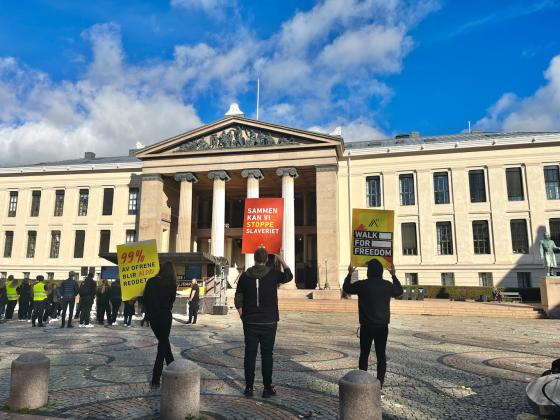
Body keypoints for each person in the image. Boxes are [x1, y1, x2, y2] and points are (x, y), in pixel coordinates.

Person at [234, 247, 293, 398]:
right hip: (269, 321)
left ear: (254, 259)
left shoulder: (245, 275)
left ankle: (249, 387)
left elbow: (238, 295)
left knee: (250, 355)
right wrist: (280, 259)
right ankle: (267, 388)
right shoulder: (273, 273)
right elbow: (289, 276)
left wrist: (242, 313)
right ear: (266, 259)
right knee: (267, 355)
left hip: (250, 321)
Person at [343, 260, 403, 388]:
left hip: (366, 326)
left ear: (369, 271)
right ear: (381, 271)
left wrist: (349, 274)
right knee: (381, 355)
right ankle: (379, 384)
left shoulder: (362, 285)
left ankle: (362, 382)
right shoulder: (387, 285)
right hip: (382, 327)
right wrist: (393, 275)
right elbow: (399, 291)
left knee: (364, 354)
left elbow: (346, 288)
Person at [144, 261, 178, 387]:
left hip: (154, 318)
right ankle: (156, 379)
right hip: (165, 316)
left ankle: (173, 370)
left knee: (164, 344)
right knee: (163, 346)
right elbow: (171, 302)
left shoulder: (151, 281)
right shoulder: (172, 284)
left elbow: (146, 299)